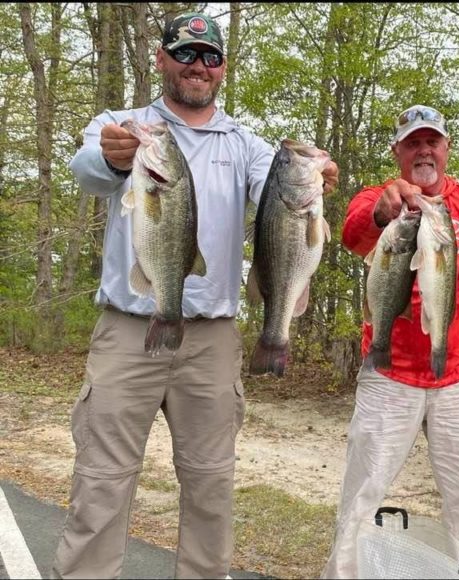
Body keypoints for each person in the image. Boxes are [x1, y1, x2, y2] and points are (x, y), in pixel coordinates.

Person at [51, 12, 338, 580]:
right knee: (101, 481)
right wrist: (111, 157)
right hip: (128, 330)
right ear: (161, 59)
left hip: (212, 339)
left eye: (210, 57)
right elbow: (88, 171)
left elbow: (278, 191)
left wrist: (315, 177)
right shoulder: (124, 125)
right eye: (185, 54)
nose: (197, 66)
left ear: (223, 68)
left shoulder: (248, 145)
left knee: (211, 483)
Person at [322, 104, 459, 579]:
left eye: (433, 141)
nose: (424, 149)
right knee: (362, 491)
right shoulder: (380, 197)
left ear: (446, 149)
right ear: (397, 151)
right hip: (390, 375)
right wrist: (384, 213)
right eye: (413, 142)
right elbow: (354, 232)